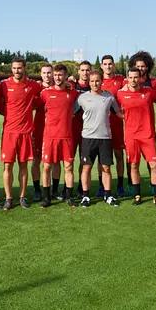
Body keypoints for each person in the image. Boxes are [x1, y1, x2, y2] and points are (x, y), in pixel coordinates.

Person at [0, 58, 42, 209]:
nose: (17, 71)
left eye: (19, 68)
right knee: (8, 166)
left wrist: (68, 83)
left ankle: (22, 196)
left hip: (25, 132)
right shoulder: (3, 85)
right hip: (9, 132)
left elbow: (46, 89)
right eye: (14, 68)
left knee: (23, 165)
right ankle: (9, 198)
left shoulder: (32, 85)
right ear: (11, 69)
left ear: (25, 68)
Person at [74, 70, 122, 207]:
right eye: (92, 81)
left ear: (102, 81)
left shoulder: (109, 97)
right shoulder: (82, 98)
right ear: (89, 82)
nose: (95, 83)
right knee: (86, 168)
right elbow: (71, 114)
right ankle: (85, 196)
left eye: (97, 80)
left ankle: (108, 195)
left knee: (106, 168)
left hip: (105, 138)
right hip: (88, 138)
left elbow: (119, 113)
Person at [117, 67, 156, 207]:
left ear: (140, 78)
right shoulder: (120, 94)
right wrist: (124, 117)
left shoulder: (148, 92)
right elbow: (113, 107)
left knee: (154, 165)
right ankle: (137, 195)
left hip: (147, 135)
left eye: (136, 77)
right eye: (130, 77)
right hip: (131, 136)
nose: (133, 80)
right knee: (134, 165)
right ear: (127, 78)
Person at [38, 64, 77, 208]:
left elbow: (83, 98)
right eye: (56, 75)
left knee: (68, 167)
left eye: (60, 75)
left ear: (66, 76)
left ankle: (68, 196)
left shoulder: (72, 93)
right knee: (47, 167)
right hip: (49, 137)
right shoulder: (45, 93)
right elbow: (36, 104)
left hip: (66, 136)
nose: (57, 78)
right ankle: (46, 197)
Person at [100, 55, 127, 197]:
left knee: (118, 154)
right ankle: (101, 185)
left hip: (116, 124)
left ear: (113, 65)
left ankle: (120, 185)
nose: (108, 66)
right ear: (101, 66)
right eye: (105, 64)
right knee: (102, 156)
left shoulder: (121, 80)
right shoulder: (97, 80)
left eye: (110, 64)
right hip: (102, 125)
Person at [32, 63, 56, 202]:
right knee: (36, 160)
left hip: (54, 130)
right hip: (39, 128)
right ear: (41, 74)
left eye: (49, 72)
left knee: (52, 161)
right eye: (44, 73)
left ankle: (53, 189)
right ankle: (37, 190)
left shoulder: (60, 86)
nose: (47, 75)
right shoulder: (36, 88)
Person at [70, 61, 92, 197]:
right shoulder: (71, 85)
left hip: (88, 130)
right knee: (69, 161)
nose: (85, 73)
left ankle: (80, 186)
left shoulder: (94, 86)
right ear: (78, 71)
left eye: (88, 70)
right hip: (72, 129)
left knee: (84, 162)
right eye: (82, 70)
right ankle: (69, 187)